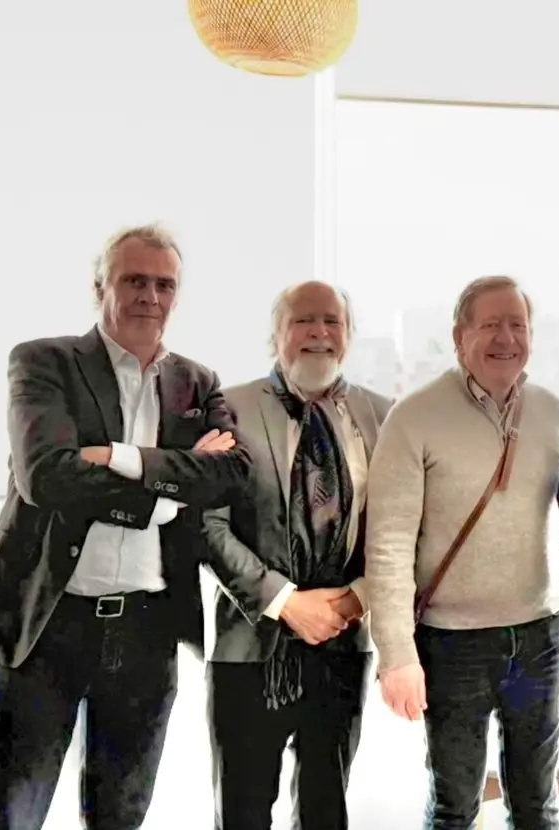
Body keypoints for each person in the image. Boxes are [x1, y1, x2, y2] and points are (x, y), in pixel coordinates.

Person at [0, 224, 251, 830]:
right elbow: (47, 477)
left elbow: (232, 474)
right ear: (101, 287)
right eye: (134, 280)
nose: (150, 295)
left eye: (164, 284)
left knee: (121, 814)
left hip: (147, 630)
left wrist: (121, 457)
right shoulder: (43, 361)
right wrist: (164, 497)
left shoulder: (196, 382)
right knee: (11, 812)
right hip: (45, 622)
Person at [367, 276, 559, 830]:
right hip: (451, 645)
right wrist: (396, 654)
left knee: (538, 807)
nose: (506, 338)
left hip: (540, 637)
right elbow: (388, 545)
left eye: (518, 325)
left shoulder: (553, 413)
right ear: (460, 337)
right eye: (490, 325)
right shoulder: (413, 417)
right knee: (454, 808)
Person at [202, 281, 394, 829]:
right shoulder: (228, 409)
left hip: (342, 644)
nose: (319, 332)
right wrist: (285, 602)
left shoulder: (384, 416)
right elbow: (207, 525)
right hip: (249, 649)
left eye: (332, 321)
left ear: (349, 334)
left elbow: (401, 532)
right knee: (241, 815)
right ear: (275, 335)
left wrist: (355, 601)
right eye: (303, 320)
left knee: (325, 812)